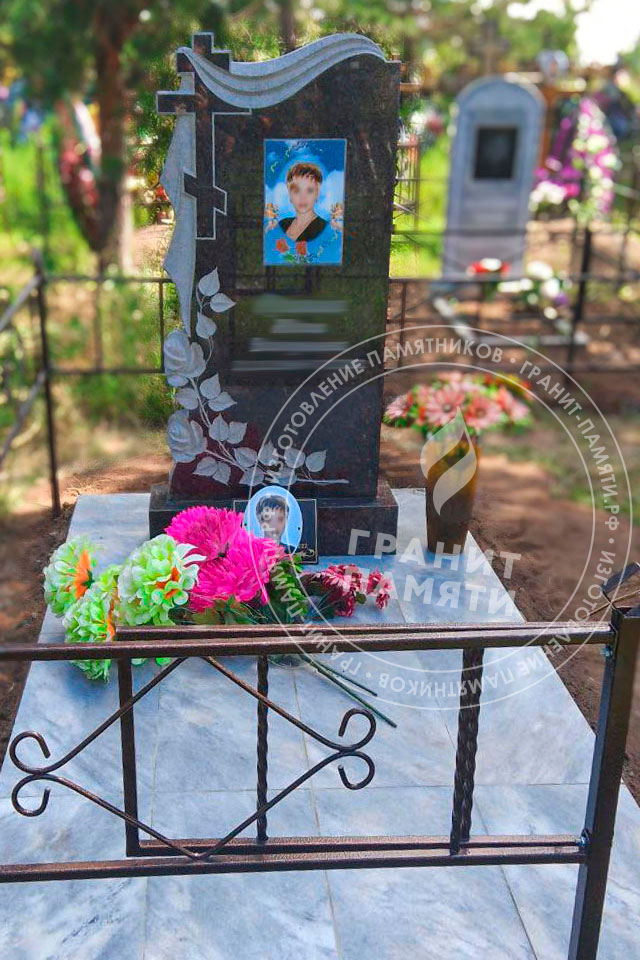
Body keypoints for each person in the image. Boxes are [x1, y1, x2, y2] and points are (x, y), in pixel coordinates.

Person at [278, 162, 328, 242]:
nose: (302, 197)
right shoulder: (282, 224)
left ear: (317, 194)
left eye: (309, 190)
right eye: (297, 190)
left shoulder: (324, 228)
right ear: (290, 194)